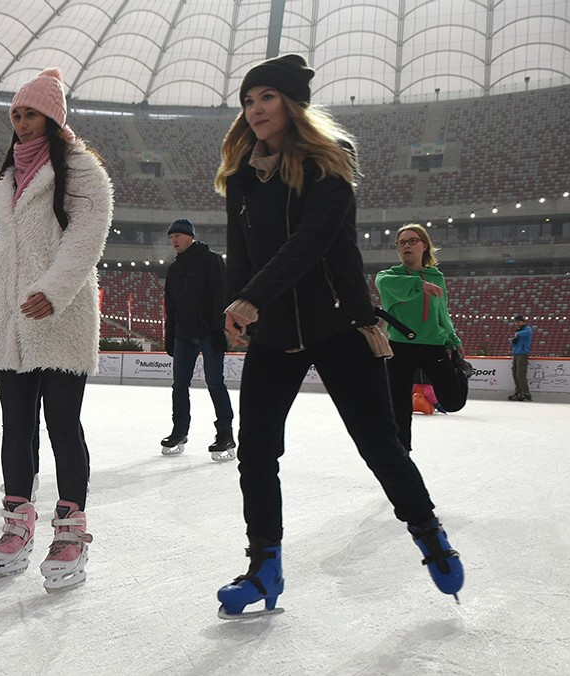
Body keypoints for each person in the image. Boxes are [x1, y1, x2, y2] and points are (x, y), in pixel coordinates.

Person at [213, 54, 462, 617]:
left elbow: (314, 239)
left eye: (266, 98)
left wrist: (254, 296)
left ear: (291, 103)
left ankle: (429, 534)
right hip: (275, 334)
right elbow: (242, 252)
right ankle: (264, 567)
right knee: (255, 452)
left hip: (339, 324)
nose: (254, 110)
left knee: (380, 446)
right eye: (248, 101)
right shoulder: (242, 175)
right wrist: (237, 307)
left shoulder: (331, 161)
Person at [0, 67, 111, 593]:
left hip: (59, 317)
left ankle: (71, 531)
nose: (21, 121)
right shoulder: (8, 179)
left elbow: (86, 237)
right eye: (16, 113)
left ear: (53, 118)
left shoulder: (81, 171)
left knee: (61, 421)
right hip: (10, 321)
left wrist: (53, 290)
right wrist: (0, 311)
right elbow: (2, 255)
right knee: (16, 425)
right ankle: (16, 525)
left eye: (30, 112)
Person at [375, 224, 469, 452]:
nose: (406, 245)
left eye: (412, 241)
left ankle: (461, 374)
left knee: (453, 402)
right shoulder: (389, 276)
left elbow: (441, 312)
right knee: (399, 407)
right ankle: (401, 452)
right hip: (400, 347)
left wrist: (453, 340)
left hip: (433, 346)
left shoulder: (437, 277)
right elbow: (382, 284)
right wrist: (419, 285)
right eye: (401, 242)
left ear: (424, 245)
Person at [159, 217, 234, 460]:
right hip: (183, 335)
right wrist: (170, 336)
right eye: (171, 237)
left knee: (215, 382)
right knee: (179, 385)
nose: (174, 241)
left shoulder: (211, 260)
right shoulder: (174, 269)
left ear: (190, 236)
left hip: (208, 334)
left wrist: (219, 331)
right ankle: (179, 431)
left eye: (177, 236)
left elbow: (221, 296)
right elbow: (171, 307)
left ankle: (225, 433)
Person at [509, 315, 533, 401]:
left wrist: (517, 334)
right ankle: (518, 391)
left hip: (522, 354)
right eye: (516, 322)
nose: (517, 324)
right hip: (516, 353)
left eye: (518, 322)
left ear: (522, 321)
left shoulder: (527, 329)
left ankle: (525, 392)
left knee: (521, 374)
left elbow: (527, 333)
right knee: (515, 373)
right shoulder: (519, 330)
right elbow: (514, 342)